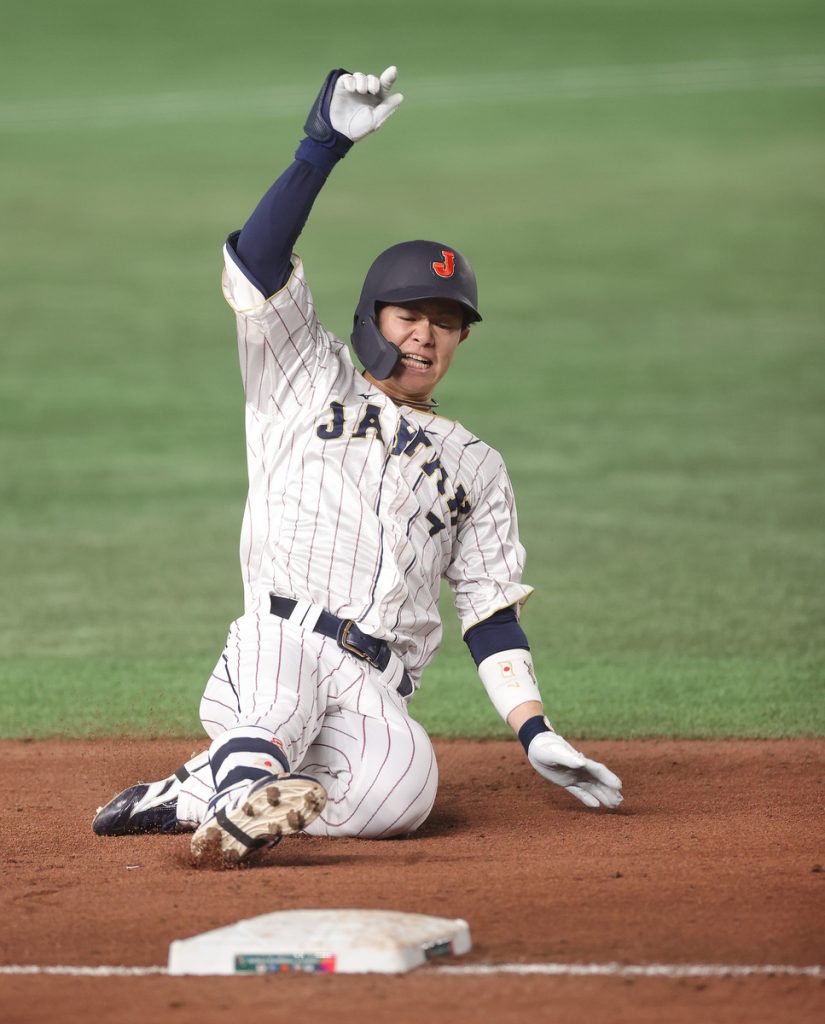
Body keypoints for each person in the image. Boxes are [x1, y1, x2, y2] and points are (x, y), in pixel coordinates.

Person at [93, 65, 622, 866]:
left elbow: (489, 611)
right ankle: (235, 798)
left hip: (374, 690)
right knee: (275, 694)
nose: (426, 336)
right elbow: (258, 264)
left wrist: (534, 729)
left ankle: (206, 792)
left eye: (446, 324)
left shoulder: (475, 465)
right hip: (281, 640)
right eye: (410, 315)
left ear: (462, 341)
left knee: (405, 794)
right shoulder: (303, 373)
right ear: (372, 317)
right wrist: (321, 148)